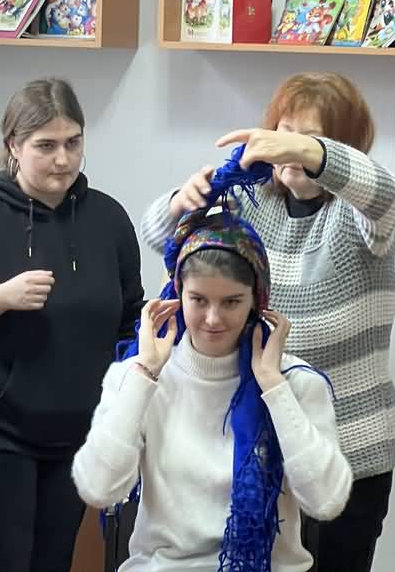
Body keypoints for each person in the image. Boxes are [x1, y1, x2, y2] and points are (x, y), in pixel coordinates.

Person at [140, 71, 395, 572]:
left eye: (309, 138)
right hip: (261, 446)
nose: (287, 150)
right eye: (284, 131)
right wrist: (181, 201)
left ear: (340, 147)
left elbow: (383, 192)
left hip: (348, 454)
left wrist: (304, 150)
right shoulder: (253, 203)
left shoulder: (363, 218)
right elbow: (158, 236)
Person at [73, 152, 352, 572]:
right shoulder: (138, 376)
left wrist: (273, 387)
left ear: (257, 301)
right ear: (176, 294)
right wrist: (144, 375)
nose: (213, 319)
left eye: (232, 302)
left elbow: (326, 501)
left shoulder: (295, 381)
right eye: (198, 300)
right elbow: (98, 489)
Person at [0, 77, 144, 572]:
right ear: (13, 147)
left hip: (80, 432)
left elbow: (130, 316)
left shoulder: (108, 219)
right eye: (45, 146)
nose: (63, 159)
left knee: (53, 562)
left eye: (73, 143)